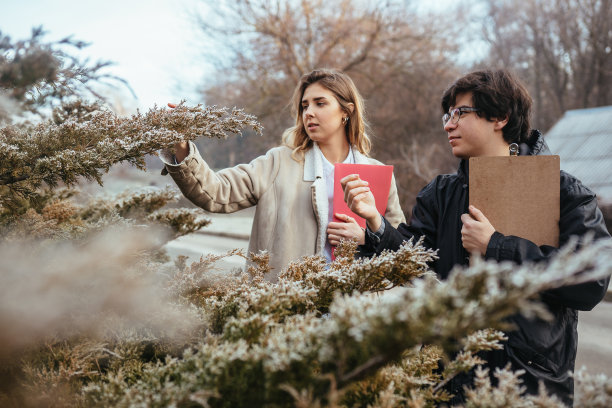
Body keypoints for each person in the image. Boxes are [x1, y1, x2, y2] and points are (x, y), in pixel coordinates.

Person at [341, 69, 610, 404]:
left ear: (500, 117)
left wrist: (495, 245)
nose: (448, 124)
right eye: (447, 115)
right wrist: (374, 224)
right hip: (450, 381)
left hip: (530, 387)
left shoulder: (563, 191)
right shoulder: (440, 193)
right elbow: (415, 263)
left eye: (460, 113)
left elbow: (590, 283)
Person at [160, 68, 405, 279]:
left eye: (320, 103)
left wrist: (366, 236)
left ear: (346, 111)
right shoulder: (278, 162)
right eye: (305, 105)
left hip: (352, 318)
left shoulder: (376, 174)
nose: (309, 112)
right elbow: (215, 192)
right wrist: (182, 146)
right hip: (286, 312)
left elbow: (401, 251)